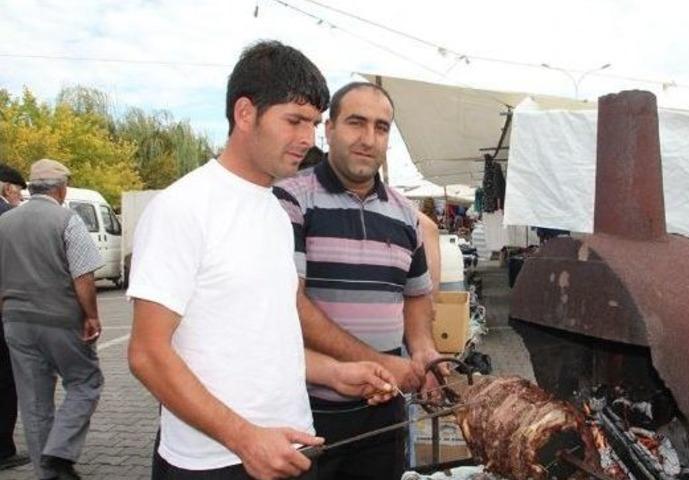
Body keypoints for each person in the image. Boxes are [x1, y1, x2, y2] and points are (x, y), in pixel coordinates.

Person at [126, 41, 396, 480]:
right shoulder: (183, 206)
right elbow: (146, 354)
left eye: (312, 123)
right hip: (215, 462)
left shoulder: (275, 211)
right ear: (245, 113)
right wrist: (244, 436)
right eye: (293, 120)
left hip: (291, 448)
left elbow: (270, 337)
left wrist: (336, 372)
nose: (308, 139)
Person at [274, 82, 439, 480]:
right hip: (309, 410)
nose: (368, 139)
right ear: (329, 130)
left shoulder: (405, 213)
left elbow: (416, 297)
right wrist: (380, 361)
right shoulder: (291, 200)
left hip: (385, 412)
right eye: (356, 123)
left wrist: (424, 352)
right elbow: (288, 304)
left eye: (381, 128)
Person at [0, 159, 104, 480]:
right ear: (60, 187)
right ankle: (59, 451)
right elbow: (82, 276)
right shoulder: (66, 219)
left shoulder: (4, 222)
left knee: (34, 402)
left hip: (16, 323)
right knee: (86, 381)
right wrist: (91, 316)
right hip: (60, 320)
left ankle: (48, 474)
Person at [0, 163, 29, 471]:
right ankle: (3, 449)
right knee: (6, 382)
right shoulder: (7, 216)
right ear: (7, 187)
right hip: (6, 313)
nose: (20, 194)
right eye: (18, 188)